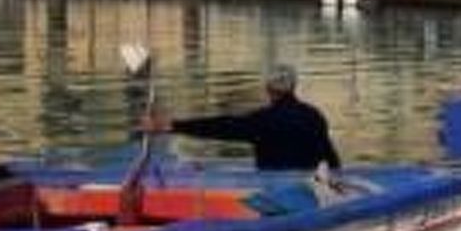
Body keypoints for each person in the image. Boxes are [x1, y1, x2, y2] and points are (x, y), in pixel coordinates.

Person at [145, 64, 341, 171]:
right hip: (309, 189)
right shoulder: (315, 116)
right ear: (294, 87)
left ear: (268, 89)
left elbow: (220, 126)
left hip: (273, 193)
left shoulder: (261, 121)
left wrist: (172, 125)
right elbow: (332, 160)